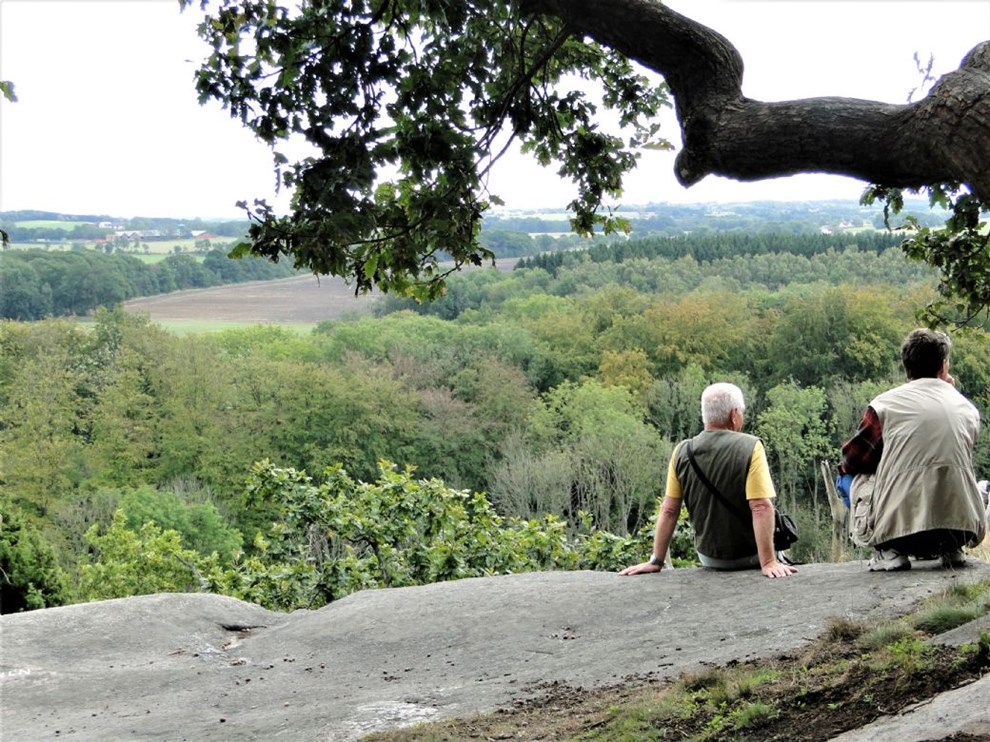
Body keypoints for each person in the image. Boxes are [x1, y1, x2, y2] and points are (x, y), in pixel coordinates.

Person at [839, 328, 986, 571]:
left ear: (906, 365)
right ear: (943, 366)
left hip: (901, 533)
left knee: (843, 476)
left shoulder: (884, 404)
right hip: (960, 528)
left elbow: (852, 460)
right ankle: (951, 550)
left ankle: (888, 550)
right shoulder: (966, 408)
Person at [620, 382, 797, 579]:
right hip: (750, 556)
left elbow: (669, 510)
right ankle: (772, 558)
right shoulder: (751, 446)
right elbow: (761, 507)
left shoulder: (682, 451)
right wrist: (768, 562)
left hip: (709, 558)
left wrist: (656, 561)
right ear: (734, 414)